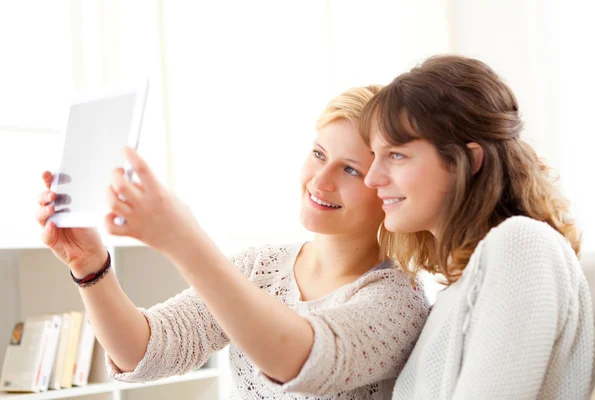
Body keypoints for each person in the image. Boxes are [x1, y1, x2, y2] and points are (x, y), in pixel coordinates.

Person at [36, 86, 430, 399]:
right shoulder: (261, 266)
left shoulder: (396, 301)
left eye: (350, 169)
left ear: (385, 187)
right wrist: (90, 266)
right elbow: (143, 352)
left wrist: (182, 239)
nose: (320, 180)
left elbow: (302, 361)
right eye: (318, 153)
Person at [359, 55, 595, 399]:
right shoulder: (456, 290)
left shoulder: (521, 245)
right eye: (373, 155)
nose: (372, 178)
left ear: (468, 161)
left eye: (396, 155)